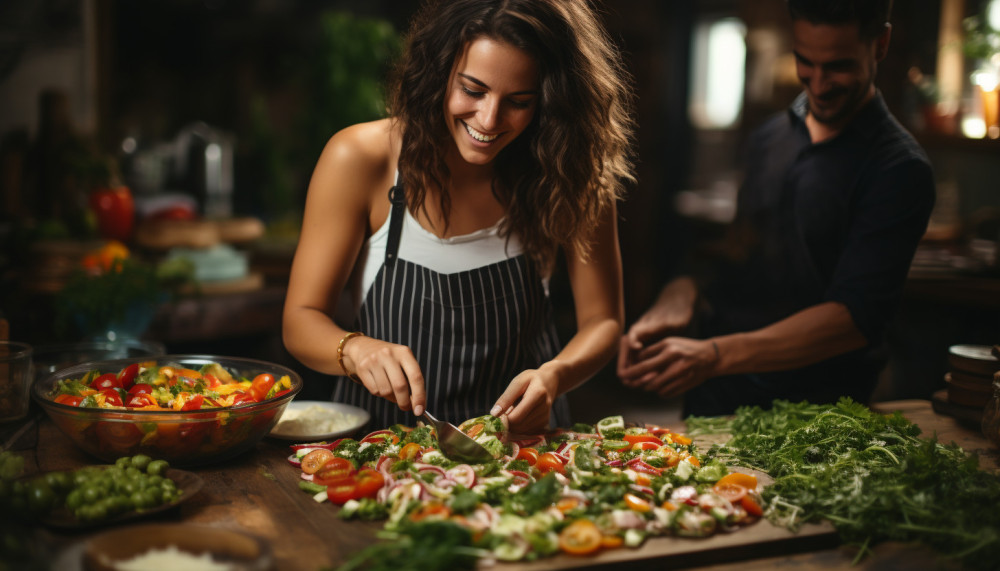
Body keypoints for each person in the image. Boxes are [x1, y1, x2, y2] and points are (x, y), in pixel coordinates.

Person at [283, 0, 633, 434]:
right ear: (439, 71)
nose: (489, 120)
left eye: (519, 101)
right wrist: (353, 350)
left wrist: (555, 375)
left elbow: (603, 322)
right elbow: (300, 318)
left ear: (551, 100)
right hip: (377, 446)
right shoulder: (360, 157)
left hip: (521, 450)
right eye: (472, 89)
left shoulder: (571, 172)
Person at [617, 0, 935, 417]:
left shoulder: (899, 169)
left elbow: (853, 319)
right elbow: (739, 248)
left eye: (838, 66)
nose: (818, 84)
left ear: (880, 44)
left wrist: (713, 354)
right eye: (806, 62)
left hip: (816, 412)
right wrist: (681, 294)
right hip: (717, 394)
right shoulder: (769, 137)